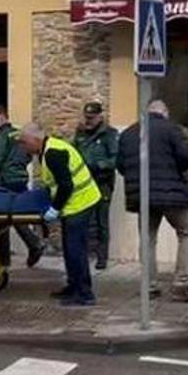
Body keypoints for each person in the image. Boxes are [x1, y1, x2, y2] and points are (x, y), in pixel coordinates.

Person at [116, 100, 188, 303]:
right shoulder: (172, 129)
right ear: (165, 112)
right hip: (171, 193)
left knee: (147, 238)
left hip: (142, 196)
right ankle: (181, 284)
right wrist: (176, 172)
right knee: (187, 232)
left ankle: (150, 286)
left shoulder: (129, 133)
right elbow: (187, 155)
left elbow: (120, 165)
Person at [19, 123, 102, 306]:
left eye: (25, 142)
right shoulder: (48, 149)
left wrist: (54, 209)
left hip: (80, 203)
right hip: (76, 203)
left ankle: (84, 294)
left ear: (36, 140)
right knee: (70, 248)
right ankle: (74, 287)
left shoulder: (53, 153)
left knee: (75, 251)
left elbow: (66, 185)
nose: (23, 146)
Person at [0, 106, 45, 268]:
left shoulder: (1, 135)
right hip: (19, 179)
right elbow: (27, 156)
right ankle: (8, 254)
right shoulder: (19, 134)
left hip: (4, 181)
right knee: (15, 215)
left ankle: (13, 253)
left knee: (2, 219)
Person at [73, 102, 119, 270]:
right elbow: (74, 152)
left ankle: (102, 257)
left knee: (101, 221)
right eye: (87, 117)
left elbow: (115, 160)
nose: (89, 121)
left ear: (100, 116)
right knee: (84, 219)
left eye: (92, 118)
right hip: (84, 183)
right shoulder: (80, 133)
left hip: (102, 183)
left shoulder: (109, 134)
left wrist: (99, 164)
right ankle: (85, 252)